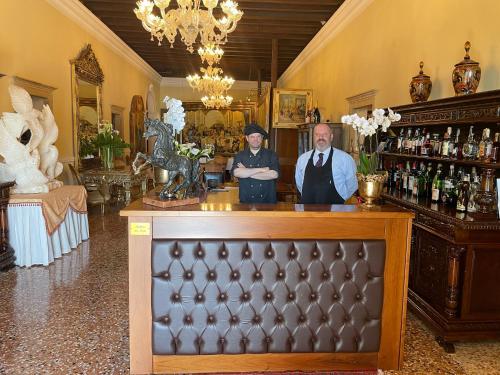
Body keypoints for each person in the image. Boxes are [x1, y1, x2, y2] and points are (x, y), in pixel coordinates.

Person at [295, 123, 357, 204]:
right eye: (317, 134)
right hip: (308, 212)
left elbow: (352, 185)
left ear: (331, 137)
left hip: (335, 212)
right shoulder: (302, 159)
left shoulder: (345, 159)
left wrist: (341, 199)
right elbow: (300, 184)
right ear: (313, 137)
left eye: (325, 134)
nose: (321, 137)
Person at [232, 123, 279, 203]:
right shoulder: (240, 155)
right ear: (247, 138)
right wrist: (262, 170)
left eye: (258, 136)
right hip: (246, 200)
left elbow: (274, 174)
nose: (255, 139)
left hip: (267, 200)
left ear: (262, 138)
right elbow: (236, 173)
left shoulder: (271, 154)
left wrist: (246, 171)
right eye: (252, 137)